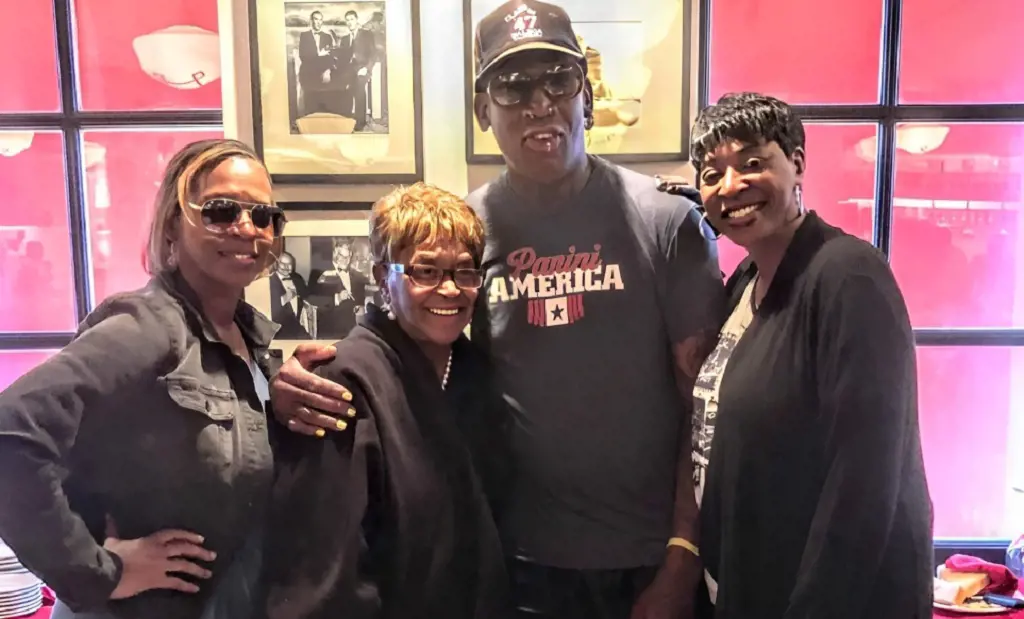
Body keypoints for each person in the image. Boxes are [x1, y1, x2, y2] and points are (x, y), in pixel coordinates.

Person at [269, 2, 726, 618]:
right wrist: (303, 380)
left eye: (558, 80)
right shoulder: (466, 233)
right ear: (484, 112)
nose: (539, 103)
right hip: (518, 569)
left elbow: (706, 408)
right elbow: (404, 342)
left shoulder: (667, 223)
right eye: (512, 87)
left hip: (649, 561)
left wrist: (682, 557)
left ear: (585, 96)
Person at [664, 92, 933, 619]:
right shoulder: (745, 281)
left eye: (752, 163)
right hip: (747, 582)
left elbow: (866, 481)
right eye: (712, 173)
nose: (730, 186)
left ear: (798, 164)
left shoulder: (848, 278)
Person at [0, 139, 287, 619]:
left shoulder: (247, 338)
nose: (246, 228)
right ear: (175, 222)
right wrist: (101, 571)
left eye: (263, 216)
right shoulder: (148, 327)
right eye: (221, 211)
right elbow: (10, 434)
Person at [258, 182, 510, 619]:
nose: (449, 289)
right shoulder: (340, 382)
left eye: (464, 272)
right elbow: (324, 570)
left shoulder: (475, 373)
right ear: (382, 277)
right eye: (425, 272)